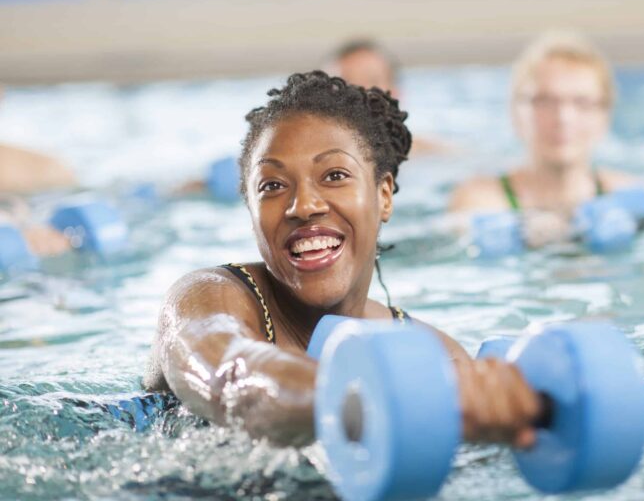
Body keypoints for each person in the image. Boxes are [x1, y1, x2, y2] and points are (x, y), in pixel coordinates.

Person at [144, 71, 540, 446]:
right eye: (273, 185)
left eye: (334, 176)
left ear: (384, 196)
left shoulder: (438, 354)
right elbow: (234, 380)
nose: (304, 205)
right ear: (251, 211)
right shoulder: (209, 298)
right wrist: (391, 396)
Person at [449, 31, 644, 247]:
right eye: (545, 101)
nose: (563, 117)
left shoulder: (637, 192)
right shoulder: (482, 199)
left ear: (604, 116)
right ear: (515, 113)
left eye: (582, 102)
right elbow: (464, 228)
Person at [325, 39, 453, 156]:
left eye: (371, 80)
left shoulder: (434, 154)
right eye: (347, 83)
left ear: (396, 94)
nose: (359, 92)